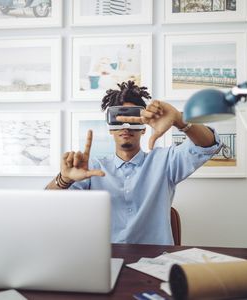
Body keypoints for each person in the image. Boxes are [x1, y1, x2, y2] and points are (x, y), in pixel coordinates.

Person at [46, 81, 221, 245]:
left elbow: (208, 145)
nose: (126, 125)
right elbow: (46, 204)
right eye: (119, 119)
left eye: (133, 118)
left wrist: (178, 119)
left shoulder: (165, 162)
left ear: (144, 127)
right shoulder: (91, 169)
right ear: (110, 128)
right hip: (106, 260)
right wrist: (64, 179)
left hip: (158, 261)